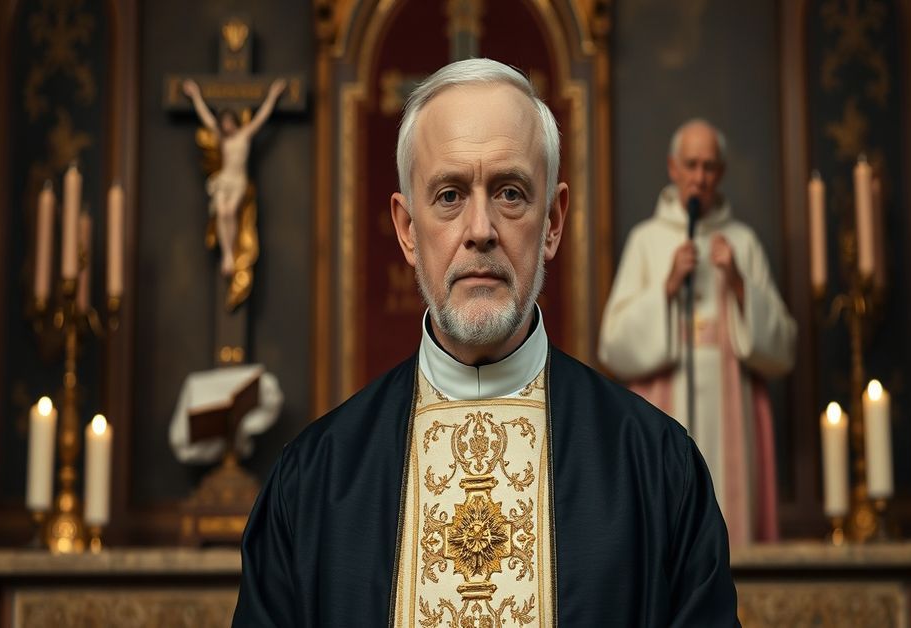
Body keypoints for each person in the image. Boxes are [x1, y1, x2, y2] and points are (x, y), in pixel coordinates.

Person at [233, 60, 737, 627]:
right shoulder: (314, 482)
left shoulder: (656, 468)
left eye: (510, 193)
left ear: (552, 222)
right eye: (449, 194)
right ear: (406, 230)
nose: (480, 229)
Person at [598, 119, 796, 548]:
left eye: (709, 167)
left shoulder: (741, 243)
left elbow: (783, 349)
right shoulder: (647, 241)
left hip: (732, 426)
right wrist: (665, 288)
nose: (700, 177)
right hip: (663, 411)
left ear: (720, 174)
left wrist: (740, 284)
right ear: (673, 168)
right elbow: (612, 345)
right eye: (691, 165)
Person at [181, 77, 287, 276]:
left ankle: (231, 251)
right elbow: (206, 118)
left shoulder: (244, 135)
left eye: (229, 122)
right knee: (221, 212)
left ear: (235, 122)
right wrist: (196, 95)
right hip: (224, 180)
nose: (227, 126)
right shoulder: (223, 138)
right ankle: (227, 254)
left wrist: (272, 95)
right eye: (224, 123)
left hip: (238, 181)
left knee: (229, 211)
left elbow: (262, 117)